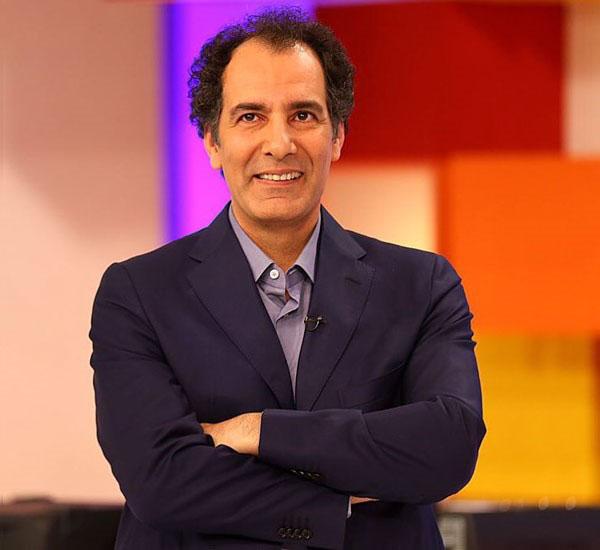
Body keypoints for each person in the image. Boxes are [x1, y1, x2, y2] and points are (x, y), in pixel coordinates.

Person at [89, 7, 485, 550]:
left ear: (337, 136)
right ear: (212, 142)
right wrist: (338, 501)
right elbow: (160, 480)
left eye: (303, 115)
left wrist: (257, 431)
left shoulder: (422, 285)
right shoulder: (137, 293)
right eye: (250, 116)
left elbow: (448, 446)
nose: (279, 143)